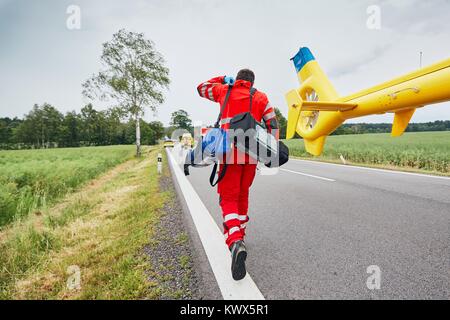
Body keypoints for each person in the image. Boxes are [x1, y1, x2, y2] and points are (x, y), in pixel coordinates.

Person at [197, 69, 279, 281]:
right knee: (242, 195)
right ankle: (241, 233)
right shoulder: (261, 97)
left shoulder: (225, 90)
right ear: (252, 82)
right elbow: (273, 124)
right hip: (251, 157)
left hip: (228, 155)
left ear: (238, 79)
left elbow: (202, 88)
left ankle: (235, 241)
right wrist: (270, 151)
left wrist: (222, 79)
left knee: (229, 198)